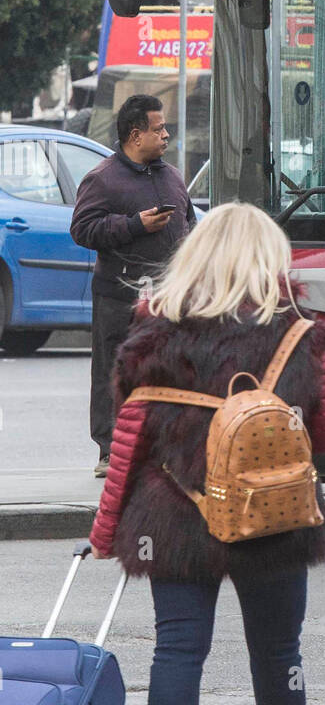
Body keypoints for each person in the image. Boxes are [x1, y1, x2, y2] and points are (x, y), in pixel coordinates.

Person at [88, 202, 325, 705]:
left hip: (172, 515)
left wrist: (103, 530)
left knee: (178, 646)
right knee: (277, 645)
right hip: (273, 516)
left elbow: (129, 434)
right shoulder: (296, 334)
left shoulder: (154, 329)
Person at [70, 95, 196, 477]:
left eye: (164, 127)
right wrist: (134, 225)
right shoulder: (103, 179)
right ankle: (110, 450)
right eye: (158, 129)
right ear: (135, 135)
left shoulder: (172, 176)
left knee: (168, 370)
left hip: (166, 298)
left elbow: (189, 223)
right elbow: (82, 230)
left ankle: (163, 447)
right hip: (118, 295)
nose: (166, 135)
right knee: (113, 370)